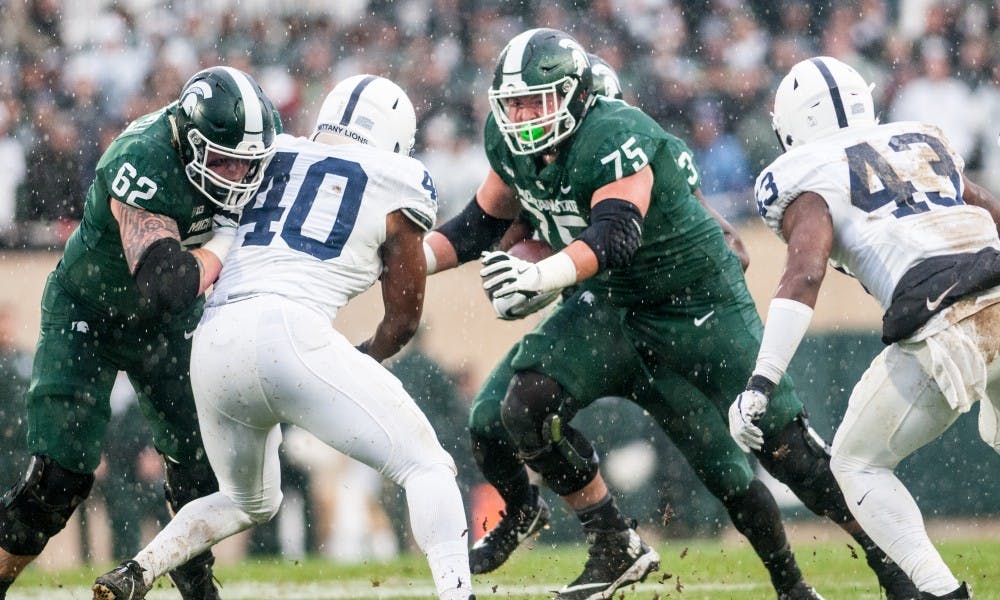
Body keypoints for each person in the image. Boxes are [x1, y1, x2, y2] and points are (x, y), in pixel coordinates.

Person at [422, 30, 917, 600]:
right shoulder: (514, 147)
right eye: (516, 105)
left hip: (693, 308)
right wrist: (400, 263)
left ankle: (887, 568)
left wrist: (540, 273)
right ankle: (610, 540)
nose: (527, 118)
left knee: (784, 452)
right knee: (521, 406)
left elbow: (619, 234)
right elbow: (482, 227)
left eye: (541, 101)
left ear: (585, 99)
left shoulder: (619, 134)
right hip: (608, 305)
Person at [92, 74, 474, 600]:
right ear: (395, 137)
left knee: (249, 500)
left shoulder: (269, 155)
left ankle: (136, 570)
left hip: (214, 340)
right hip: (290, 332)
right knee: (427, 463)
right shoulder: (399, 176)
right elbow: (403, 319)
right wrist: (366, 355)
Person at [0, 65, 277, 600]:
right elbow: (168, 284)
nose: (236, 179)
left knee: (200, 465)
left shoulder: (238, 160)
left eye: (248, 166)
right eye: (223, 162)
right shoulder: (143, 159)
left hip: (164, 328)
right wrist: (224, 242)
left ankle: (194, 580)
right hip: (90, 315)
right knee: (58, 479)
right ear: (188, 140)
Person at [728, 55, 1000, 600]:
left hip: (948, 314)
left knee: (856, 465)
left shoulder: (802, 172)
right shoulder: (920, 138)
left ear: (791, 127)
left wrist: (762, 381)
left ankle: (940, 592)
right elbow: (991, 209)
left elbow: (805, 271)